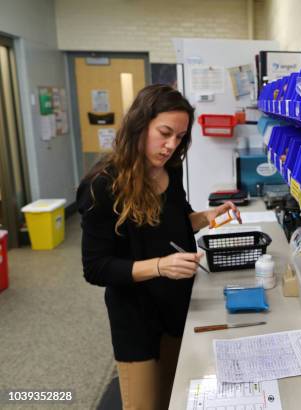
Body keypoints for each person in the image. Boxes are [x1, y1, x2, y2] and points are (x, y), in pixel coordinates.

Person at [77, 84, 241, 410]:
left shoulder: (171, 170)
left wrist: (208, 217)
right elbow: (96, 268)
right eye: (165, 133)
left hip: (178, 304)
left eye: (179, 137)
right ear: (140, 125)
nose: (170, 146)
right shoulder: (101, 185)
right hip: (135, 316)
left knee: (176, 396)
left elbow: (176, 223)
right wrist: (160, 266)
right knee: (144, 403)